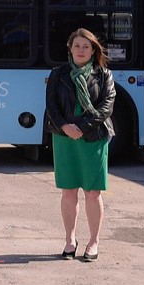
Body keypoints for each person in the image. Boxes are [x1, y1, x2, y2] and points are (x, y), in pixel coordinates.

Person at [45, 28, 117, 262]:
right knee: (68, 191)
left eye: (86, 46)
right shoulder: (58, 73)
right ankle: (70, 239)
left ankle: (94, 242)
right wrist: (65, 127)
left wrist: (83, 127)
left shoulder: (104, 75)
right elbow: (51, 106)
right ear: (70, 48)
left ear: (93, 49)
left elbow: (107, 107)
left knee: (92, 192)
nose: (81, 50)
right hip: (65, 137)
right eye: (77, 45)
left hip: (93, 138)